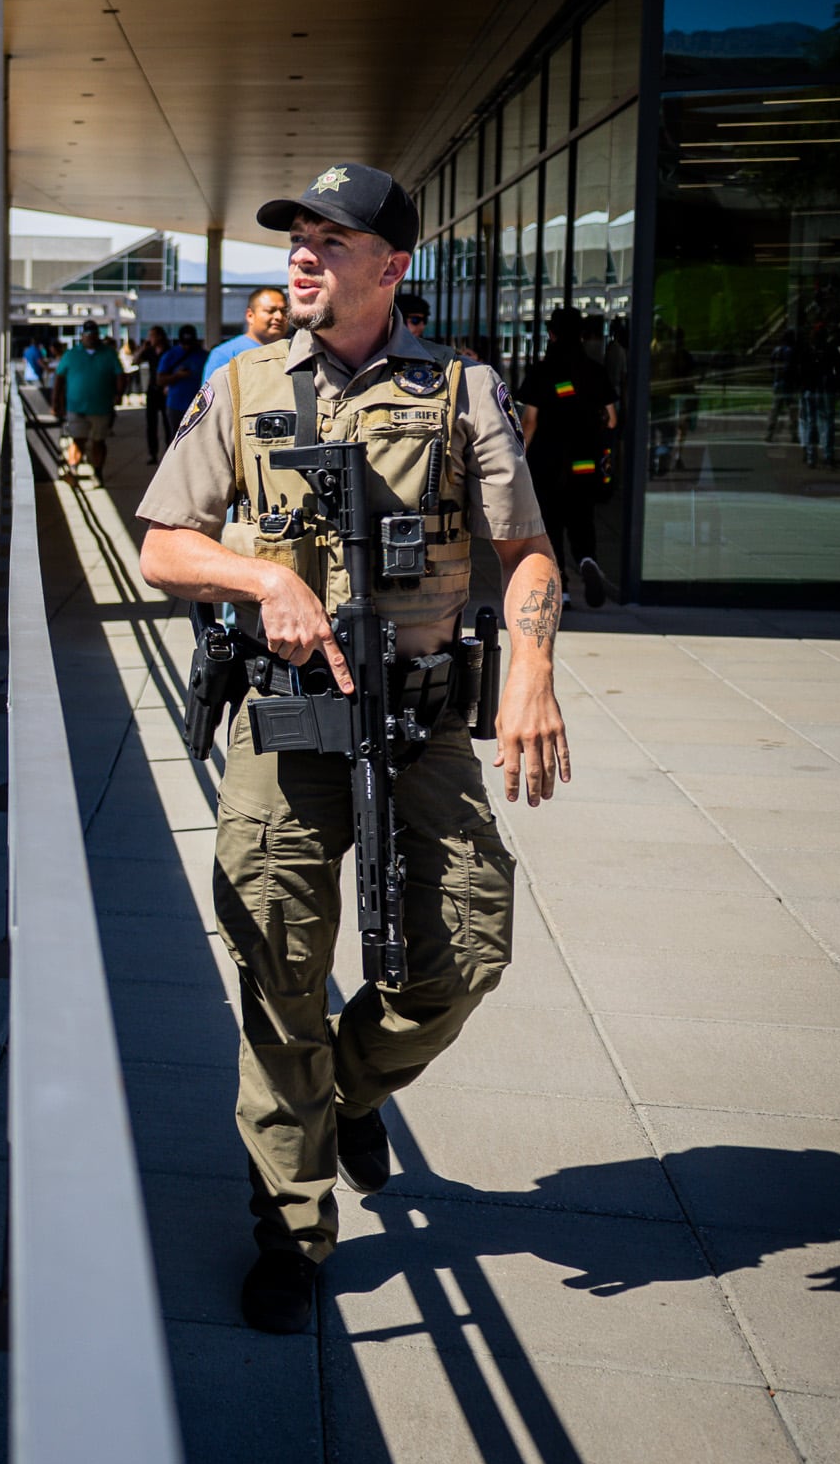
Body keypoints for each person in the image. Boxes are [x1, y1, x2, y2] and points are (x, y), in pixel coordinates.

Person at [134, 160, 571, 1337]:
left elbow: (525, 549)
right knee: (277, 966)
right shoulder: (243, 386)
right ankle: (293, 1229)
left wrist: (529, 671)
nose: (305, 255)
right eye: (299, 237)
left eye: (334, 238)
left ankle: (350, 1086)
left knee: (465, 949)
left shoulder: (459, 389)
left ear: (394, 265)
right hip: (286, 716)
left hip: (421, 712)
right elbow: (164, 546)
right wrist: (262, 572)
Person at [513, 306, 617, 606]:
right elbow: (611, 418)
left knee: (551, 524)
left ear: (551, 334)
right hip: (584, 460)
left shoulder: (543, 371)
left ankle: (563, 588)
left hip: (547, 461)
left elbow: (530, 421)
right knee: (582, 516)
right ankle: (587, 559)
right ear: (582, 335)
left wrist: (518, 455)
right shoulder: (595, 371)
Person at [55, 323, 126, 480]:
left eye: (93, 334)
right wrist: (56, 403)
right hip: (76, 407)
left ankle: (98, 471)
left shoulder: (108, 353)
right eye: (87, 334)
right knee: (77, 439)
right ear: (82, 336)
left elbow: (120, 375)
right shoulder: (71, 354)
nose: (90, 337)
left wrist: (119, 394)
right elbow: (59, 379)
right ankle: (73, 470)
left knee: (98, 441)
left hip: (101, 407)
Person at [201, 286, 290, 384]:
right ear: (250, 315)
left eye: (284, 311)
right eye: (270, 311)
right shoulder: (225, 354)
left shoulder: (293, 351)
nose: (279, 317)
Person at [155, 324, 208, 446]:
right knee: (176, 438)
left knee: (198, 440)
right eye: (185, 344)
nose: (187, 347)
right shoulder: (170, 355)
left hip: (199, 405)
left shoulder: (203, 355)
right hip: (176, 404)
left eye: (190, 343)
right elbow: (159, 380)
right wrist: (177, 376)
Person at [136, 324, 173, 459]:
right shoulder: (149, 351)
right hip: (152, 390)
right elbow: (135, 361)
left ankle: (169, 453)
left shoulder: (170, 351)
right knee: (151, 424)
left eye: (151, 336)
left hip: (165, 390)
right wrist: (142, 349)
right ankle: (153, 453)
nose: (149, 338)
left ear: (159, 336)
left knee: (167, 423)